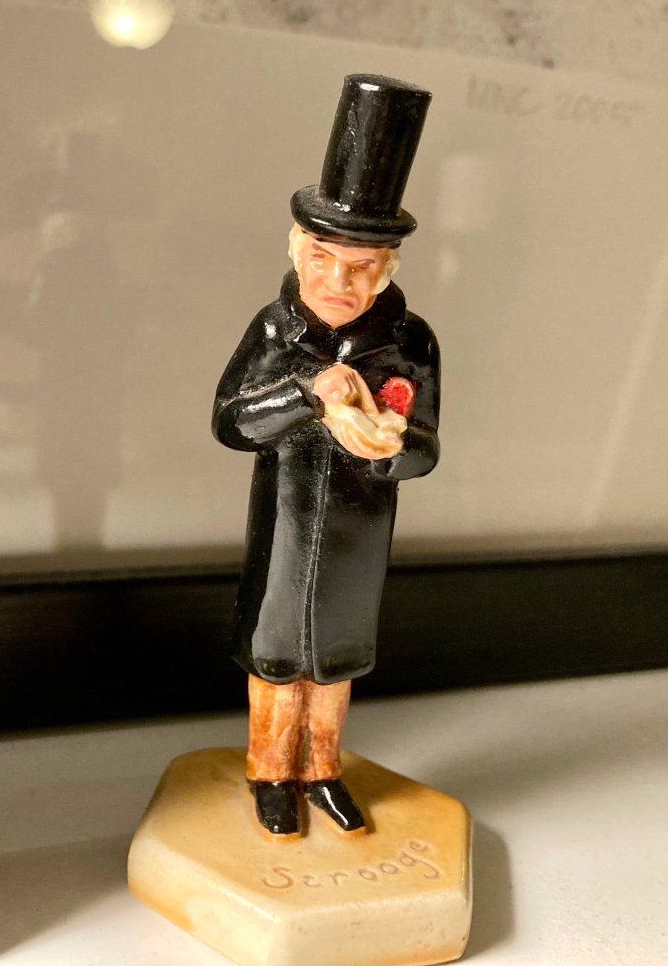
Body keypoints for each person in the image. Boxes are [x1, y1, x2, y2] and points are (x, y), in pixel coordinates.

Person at [212, 74, 438, 838]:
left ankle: (321, 770)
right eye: (321, 258)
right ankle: (270, 772)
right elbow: (231, 420)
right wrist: (306, 394)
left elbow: (425, 447)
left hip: (355, 536)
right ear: (296, 249)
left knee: (334, 663)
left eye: (359, 266)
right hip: (281, 530)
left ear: (387, 267)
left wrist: (387, 442)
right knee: (277, 662)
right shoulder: (277, 332)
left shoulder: (408, 344)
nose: (337, 281)